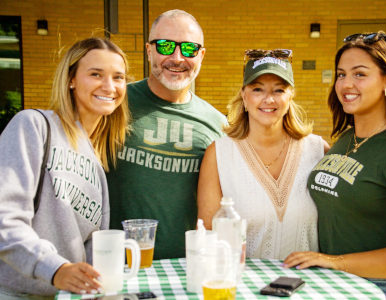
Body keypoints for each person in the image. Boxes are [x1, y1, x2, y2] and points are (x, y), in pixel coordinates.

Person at [283, 32, 386, 299]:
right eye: (341, 74)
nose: (346, 84)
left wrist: (335, 262)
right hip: (345, 284)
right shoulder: (346, 140)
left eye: (360, 74)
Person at [0, 37, 130, 298]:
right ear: (71, 79)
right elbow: (5, 218)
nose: (109, 86)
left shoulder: (96, 158)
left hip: (67, 295)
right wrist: (56, 269)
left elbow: (91, 242)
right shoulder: (33, 126)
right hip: (18, 293)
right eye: (96, 74)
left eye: (118, 77)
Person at [106, 9, 227, 260]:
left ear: (201, 55)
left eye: (189, 49)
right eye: (165, 45)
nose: (177, 57)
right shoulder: (114, 104)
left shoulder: (217, 123)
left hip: (185, 269)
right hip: (116, 263)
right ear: (149, 50)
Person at [197, 49, 329, 259]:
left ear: (291, 95)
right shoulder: (219, 153)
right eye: (257, 89)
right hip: (244, 284)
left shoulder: (318, 150)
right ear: (243, 95)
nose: (268, 99)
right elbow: (207, 232)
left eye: (279, 90)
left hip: (307, 284)